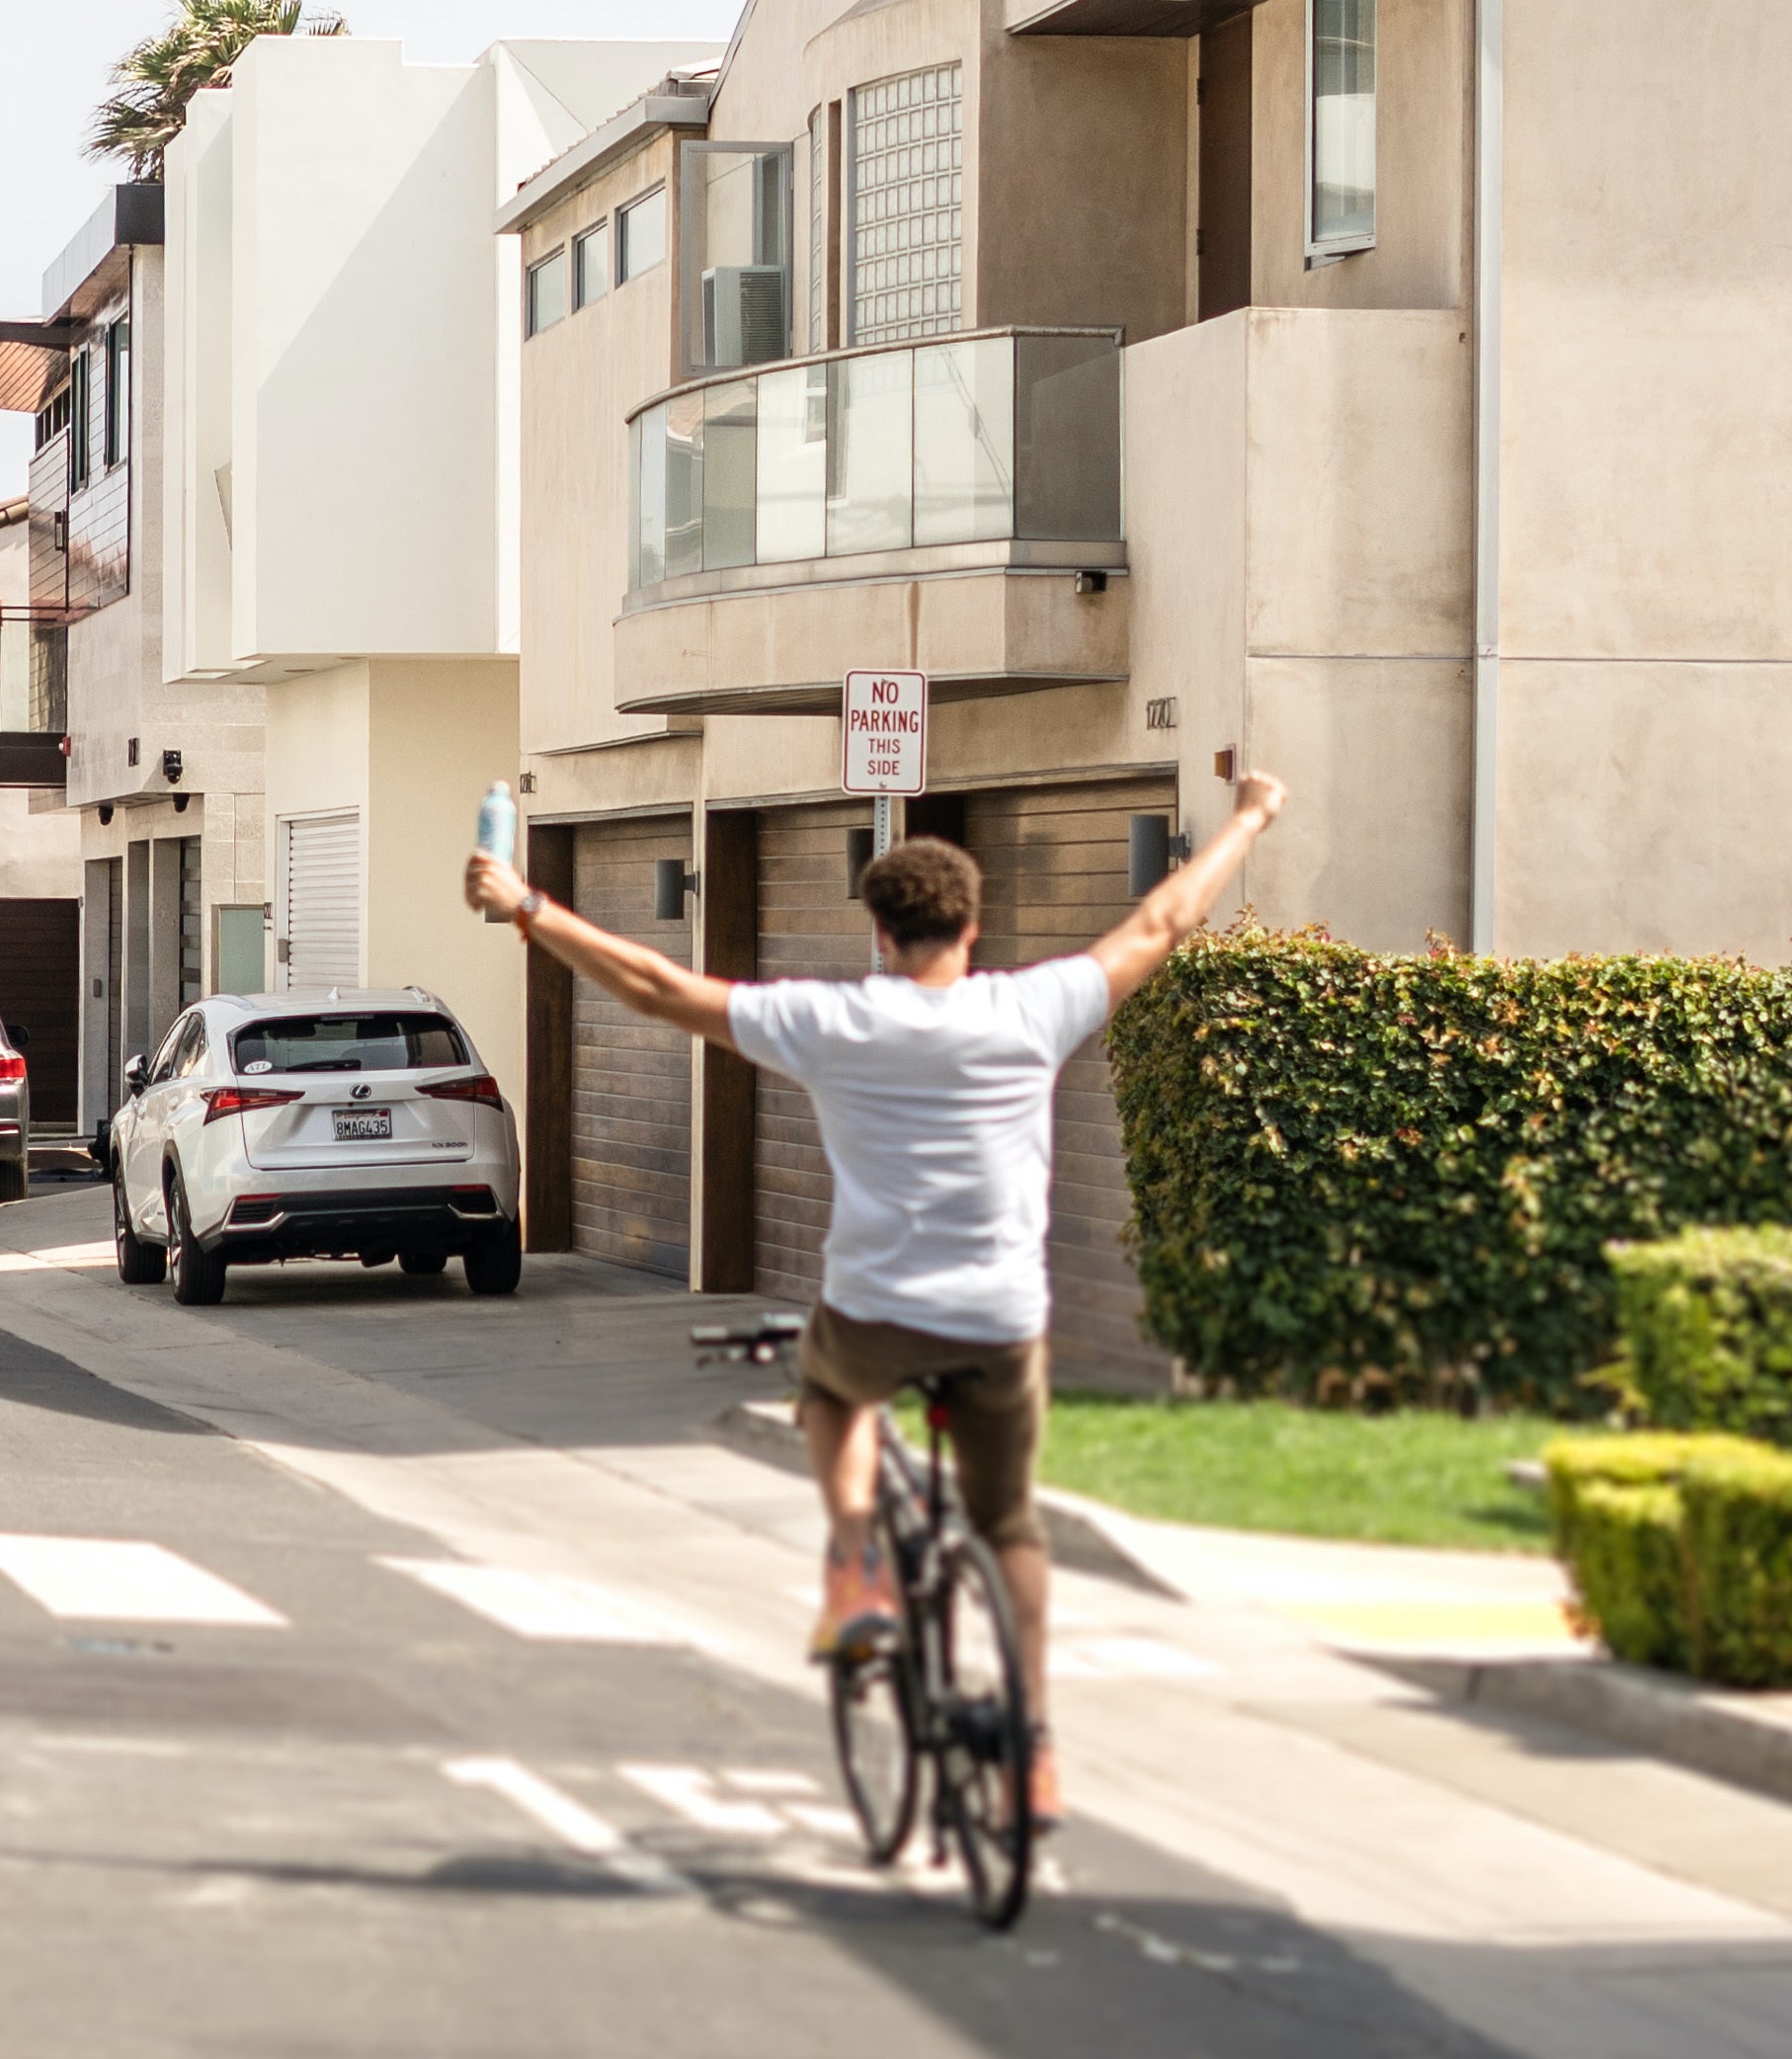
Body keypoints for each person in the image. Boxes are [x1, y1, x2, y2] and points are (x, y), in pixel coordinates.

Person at [465, 767, 1289, 1827]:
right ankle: (1032, 1746)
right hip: (999, 1319)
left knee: (834, 1394)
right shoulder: (1034, 1008)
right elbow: (1168, 917)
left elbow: (659, 990)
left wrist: (532, 908)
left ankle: (857, 1565)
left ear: (878, 934)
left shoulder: (835, 1023)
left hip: (878, 1308)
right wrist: (1252, 817)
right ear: (974, 925)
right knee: (1012, 1530)